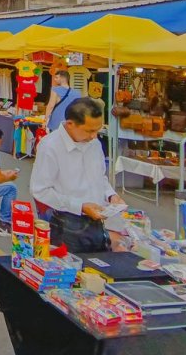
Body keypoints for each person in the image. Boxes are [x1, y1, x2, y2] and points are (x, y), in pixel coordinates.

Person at [30, 98, 125, 253]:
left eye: (97, 130)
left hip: (97, 222)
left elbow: (99, 177)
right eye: (89, 131)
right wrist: (80, 206)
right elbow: (40, 190)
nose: (94, 136)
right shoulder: (50, 147)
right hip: (67, 224)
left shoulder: (94, 144)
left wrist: (110, 195)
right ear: (70, 124)